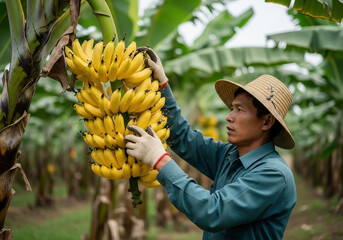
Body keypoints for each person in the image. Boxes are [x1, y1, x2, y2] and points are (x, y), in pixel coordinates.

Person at [125, 48, 297, 240]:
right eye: (232, 108)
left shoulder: (273, 175)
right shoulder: (230, 155)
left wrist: (160, 160)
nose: (229, 117)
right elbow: (184, 138)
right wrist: (162, 84)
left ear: (266, 122)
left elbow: (213, 212)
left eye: (240, 110)